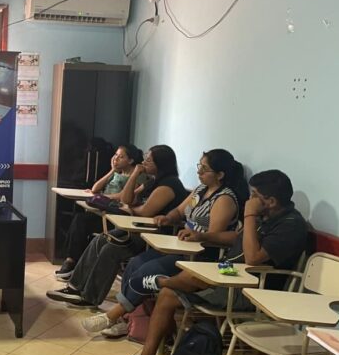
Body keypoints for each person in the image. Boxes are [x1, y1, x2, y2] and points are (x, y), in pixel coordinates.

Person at [110, 170, 308, 355]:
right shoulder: (266, 216)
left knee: (178, 282)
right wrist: (202, 235)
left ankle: (160, 282)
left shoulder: (290, 225)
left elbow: (252, 257)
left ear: (270, 201)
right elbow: (237, 239)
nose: (250, 200)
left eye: (255, 195)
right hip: (228, 275)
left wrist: (249, 215)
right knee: (169, 292)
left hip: (251, 291)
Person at [80, 148, 248, 335]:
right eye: (199, 166)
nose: (199, 171)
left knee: (148, 270)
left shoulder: (224, 198)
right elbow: (179, 210)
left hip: (201, 255)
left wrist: (199, 235)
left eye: (204, 168)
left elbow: (215, 235)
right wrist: (168, 218)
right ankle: (127, 318)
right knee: (136, 263)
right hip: (181, 246)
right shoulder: (201, 191)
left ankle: (113, 316)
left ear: (220, 174)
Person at [47, 145, 188, 308]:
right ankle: (75, 288)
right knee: (100, 239)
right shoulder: (152, 181)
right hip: (138, 229)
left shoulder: (168, 185)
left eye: (149, 160)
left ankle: (89, 298)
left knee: (111, 249)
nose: (144, 162)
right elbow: (127, 199)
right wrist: (135, 174)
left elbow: (145, 212)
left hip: (153, 236)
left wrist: (130, 209)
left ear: (161, 164)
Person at [55, 144, 144, 280]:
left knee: (82, 222)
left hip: (116, 217)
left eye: (121, 157)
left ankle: (73, 262)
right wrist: (112, 170)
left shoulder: (137, 177)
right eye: (115, 155)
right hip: (103, 211)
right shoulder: (117, 173)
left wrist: (103, 198)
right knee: (79, 219)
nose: (116, 159)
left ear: (130, 160)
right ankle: (71, 260)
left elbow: (124, 197)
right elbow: (95, 188)